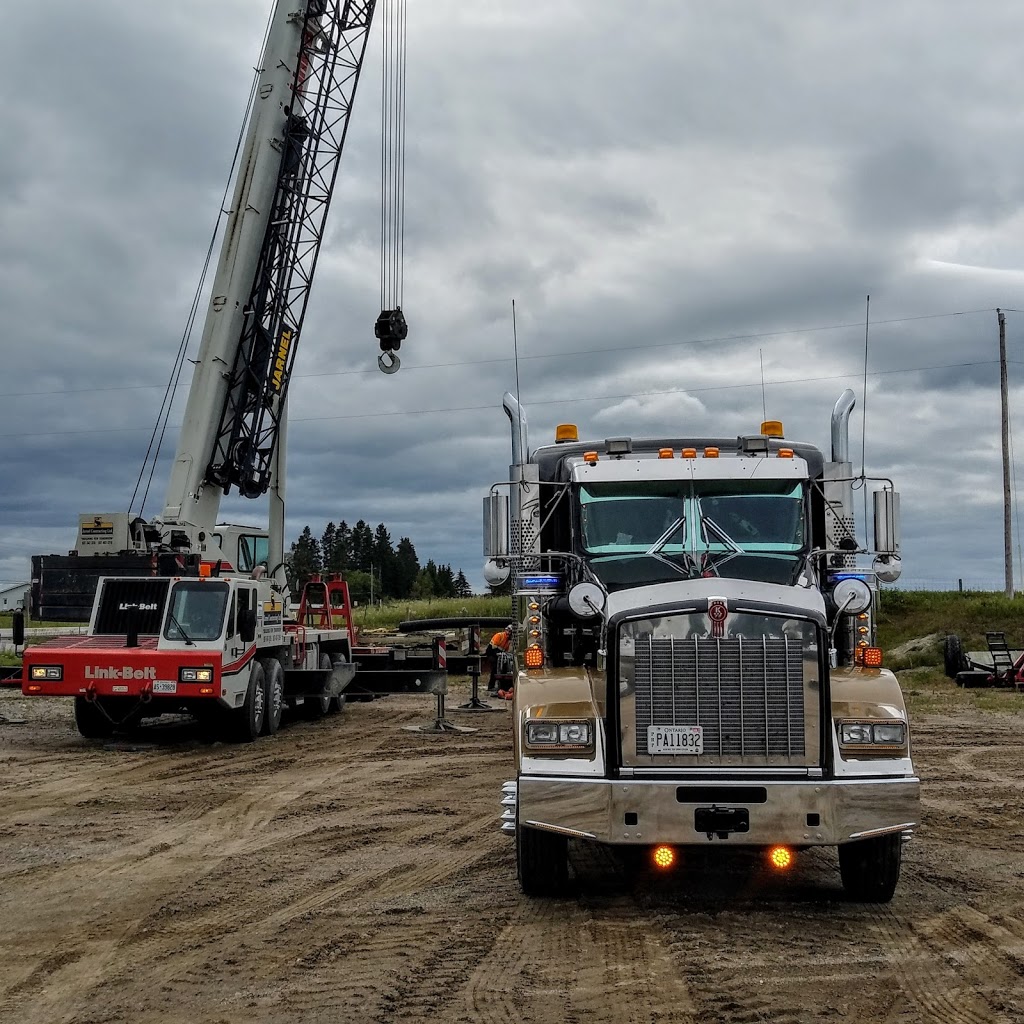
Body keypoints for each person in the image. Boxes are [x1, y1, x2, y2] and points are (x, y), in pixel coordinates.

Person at [484, 625, 513, 696]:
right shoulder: (499, 635)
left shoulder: (508, 641)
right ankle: (491, 686)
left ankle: (502, 685)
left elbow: (505, 650)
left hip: (499, 654)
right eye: (508, 632)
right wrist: (499, 654)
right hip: (491, 652)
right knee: (494, 668)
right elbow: (493, 647)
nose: (509, 634)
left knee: (504, 666)